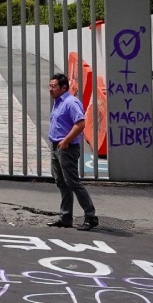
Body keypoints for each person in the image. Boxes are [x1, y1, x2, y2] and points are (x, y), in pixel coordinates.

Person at [46, 73, 98, 231]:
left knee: (73, 183)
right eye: (50, 86)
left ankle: (90, 216)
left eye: (54, 86)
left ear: (63, 87)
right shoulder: (58, 102)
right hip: (57, 147)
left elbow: (80, 124)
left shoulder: (71, 102)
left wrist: (66, 141)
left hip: (67, 148)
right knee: (62, 183)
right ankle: (65, 216)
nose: (51, 89)